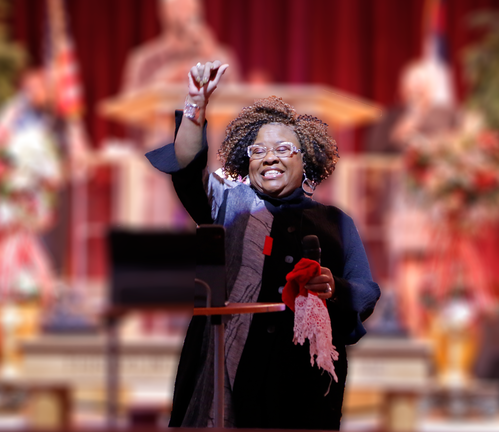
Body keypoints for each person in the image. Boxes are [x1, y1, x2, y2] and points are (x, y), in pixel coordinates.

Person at [146, 61, 381, 429]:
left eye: (284, 148)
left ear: (307, 159)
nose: (269, 157)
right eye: (257, 151)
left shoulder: (336, 222)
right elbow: (188, 167)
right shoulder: (227, 204)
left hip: (305, 386)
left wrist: (334, 287)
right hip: (229, 374)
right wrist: (195, 105)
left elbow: (366, 291)